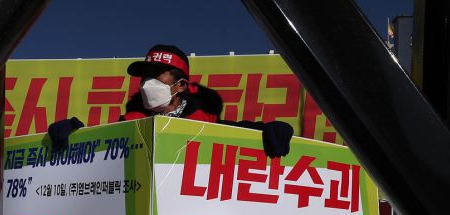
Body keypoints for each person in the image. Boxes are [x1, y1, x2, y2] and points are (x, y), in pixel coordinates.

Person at [48, 44, 293, 158]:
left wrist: (270, 130)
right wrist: (73, 134)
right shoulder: (125, 127)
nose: (147, 83)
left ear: (181, 85)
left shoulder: (207, 127)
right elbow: (96, 151)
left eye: (156, 75)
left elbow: (243, 133)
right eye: (145, 76)